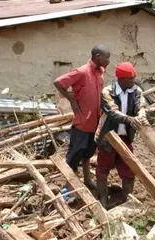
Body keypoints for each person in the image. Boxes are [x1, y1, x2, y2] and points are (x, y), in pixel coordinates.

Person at [54, 45, 110, 190]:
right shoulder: (82, 72)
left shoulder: (100, 73)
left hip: (95, 122)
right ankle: (68, 188)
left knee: (88, 154)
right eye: (107, 57)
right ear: (98, 56)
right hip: (82, 122)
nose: (109, 61)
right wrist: (71, 100)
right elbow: (59, 83)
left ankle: (86, 179)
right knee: (74, 155)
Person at [95, 62, 148, 208]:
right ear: (121, 79)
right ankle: (102, 200)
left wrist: (141, 115)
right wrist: (130, 119)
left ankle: (127, 201)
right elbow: (112, 112)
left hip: (125, 138)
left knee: (129, 169)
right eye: (130, 79)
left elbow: (141, 105)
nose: (133, 81)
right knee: (103, 169)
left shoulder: (135, 91)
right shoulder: (107, 92)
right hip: (108, 137)